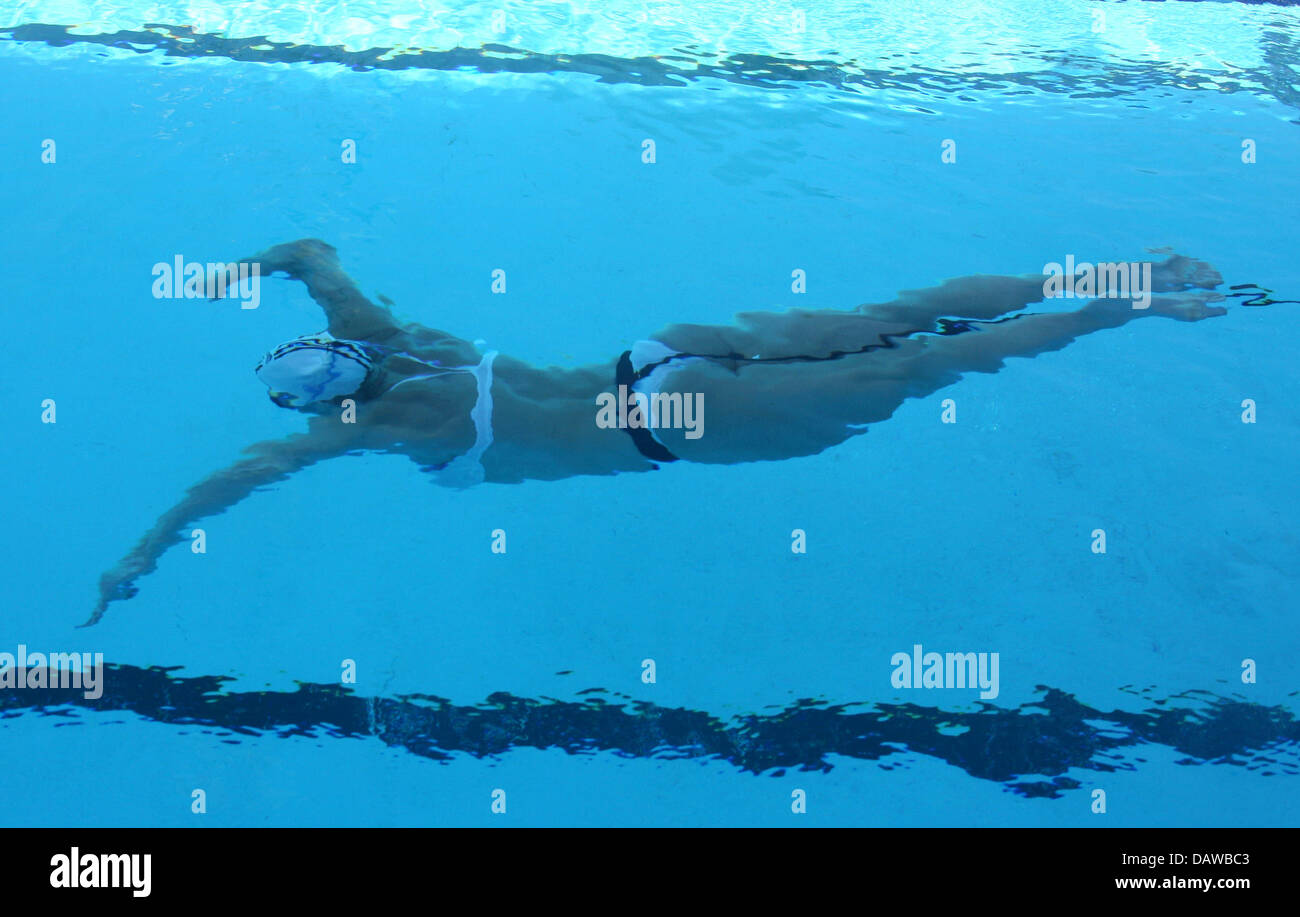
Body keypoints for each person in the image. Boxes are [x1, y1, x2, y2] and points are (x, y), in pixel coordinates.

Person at [87, 239, 1228, 625]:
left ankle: (1145, 305)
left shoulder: (366, 429)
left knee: (934, 358)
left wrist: (138, 554)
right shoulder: (390, 333)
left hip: (681, 423)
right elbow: (310, 250)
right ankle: (1124, 267)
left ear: (335, 397)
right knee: (899, 313)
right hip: (663, 350)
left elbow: (232, 481)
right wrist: (235, 271)